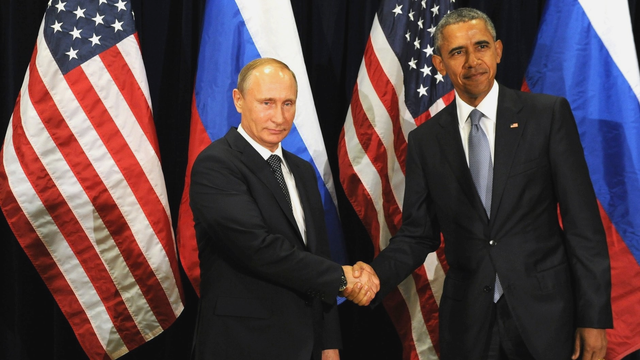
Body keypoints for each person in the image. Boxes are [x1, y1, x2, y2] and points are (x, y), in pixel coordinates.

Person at [356, 7, 613, 360]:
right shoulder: (426, 141)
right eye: (457, 52)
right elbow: (419, 233)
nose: (472, 61)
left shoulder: (546, 116)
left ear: (498, 50)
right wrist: (372, 275)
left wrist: (594, 319)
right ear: (439, 64)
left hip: (547, 316)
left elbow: (583, 224)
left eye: (481, 46)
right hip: (469, 325)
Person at [189, 58, 378, 360]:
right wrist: (344, 278)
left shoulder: (302, 170)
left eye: (288, 103)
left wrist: (330, 341)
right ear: (238, 100)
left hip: (306, 344)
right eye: (267, 102)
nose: (279, 116)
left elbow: (318, 254)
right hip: (242, 344)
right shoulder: (217, 165)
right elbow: (257, 248)